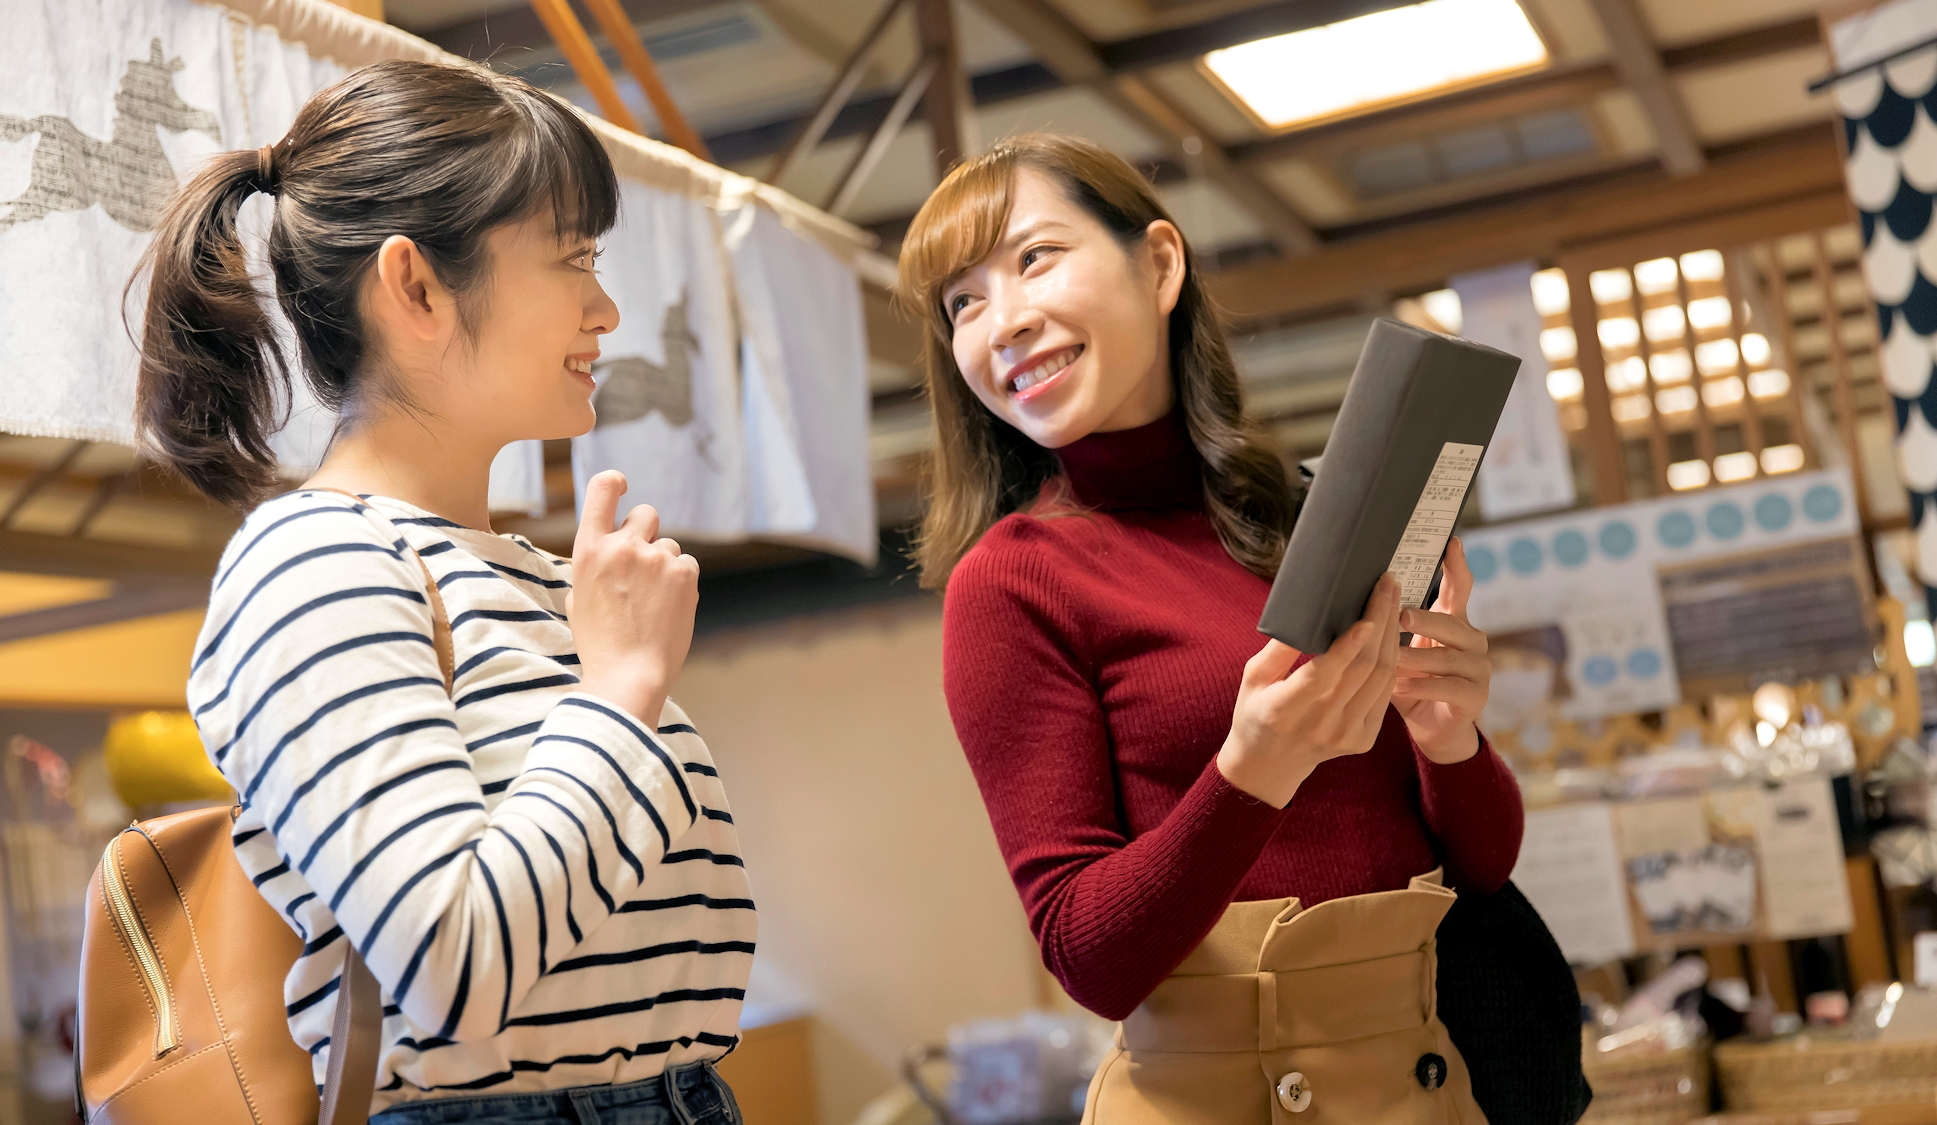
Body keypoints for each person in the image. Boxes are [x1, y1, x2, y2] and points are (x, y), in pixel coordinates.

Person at [135, 61, 749, 1124]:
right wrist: (619, 690)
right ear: (415, 286)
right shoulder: (314, 565)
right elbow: (454, 969)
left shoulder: (527, 577)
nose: (604, 307)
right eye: (574, 259)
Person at [900, 133, 1526, 1122]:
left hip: (1421, 1082)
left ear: (1157, 264)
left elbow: (1481, 868)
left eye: (1031, 259)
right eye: (961, 303)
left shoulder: (1307, 518)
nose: (1001, 322)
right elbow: (1085, 955)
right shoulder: (1011, 583)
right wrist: (1253, 767)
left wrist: (1450, 739)